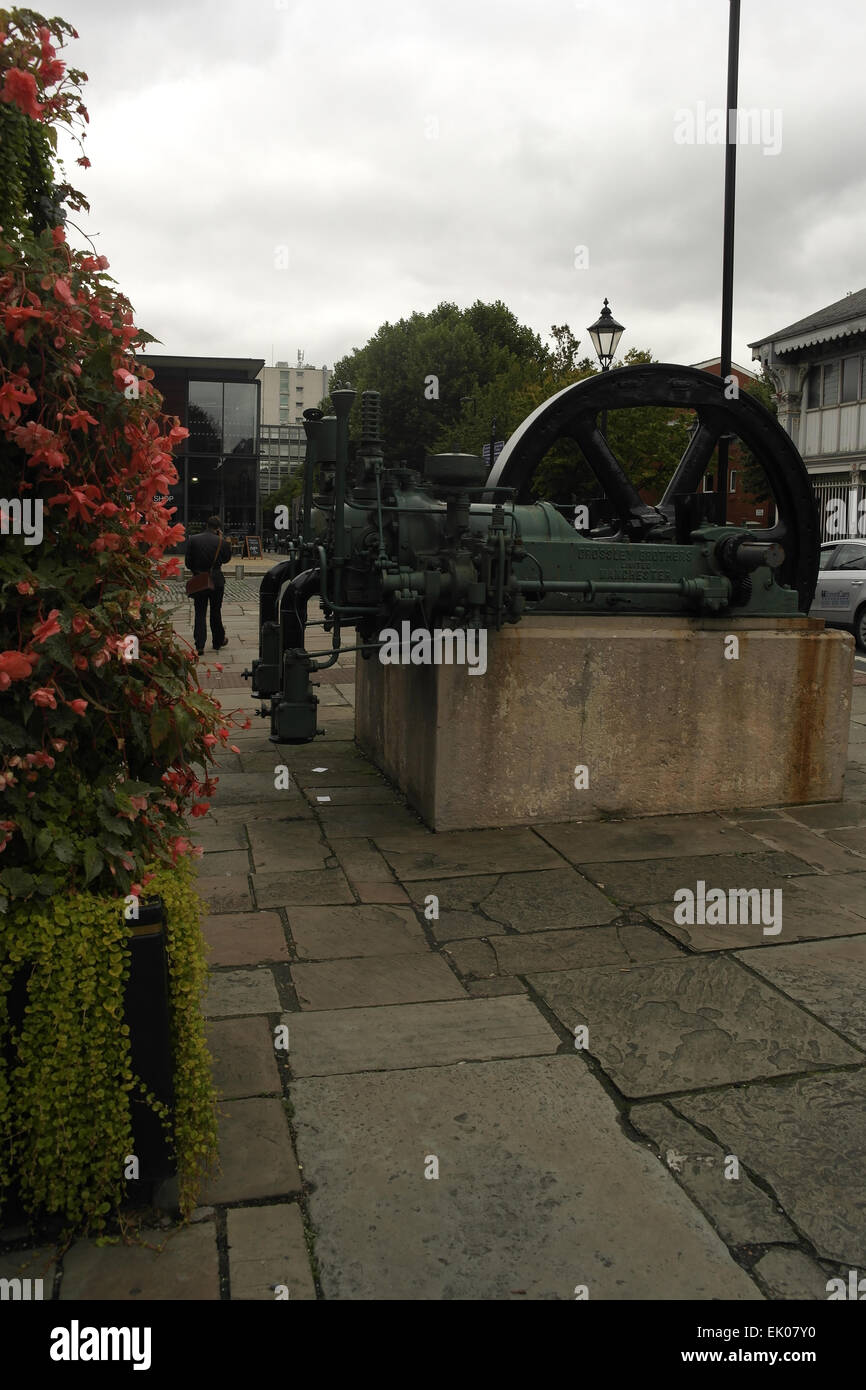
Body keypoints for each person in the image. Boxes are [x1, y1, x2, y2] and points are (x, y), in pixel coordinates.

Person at [185, 516, 232, 656]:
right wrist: (224, 541)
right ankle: (217, 641)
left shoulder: (193, 539)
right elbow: (226, 559)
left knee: (200, 612)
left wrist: (197, 571)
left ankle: (200, 644)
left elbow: (188, 563)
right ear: (218, 528)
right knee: (215, 611)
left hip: (200, 579)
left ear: (206, 525)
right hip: (216, 580)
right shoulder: (221, 542)